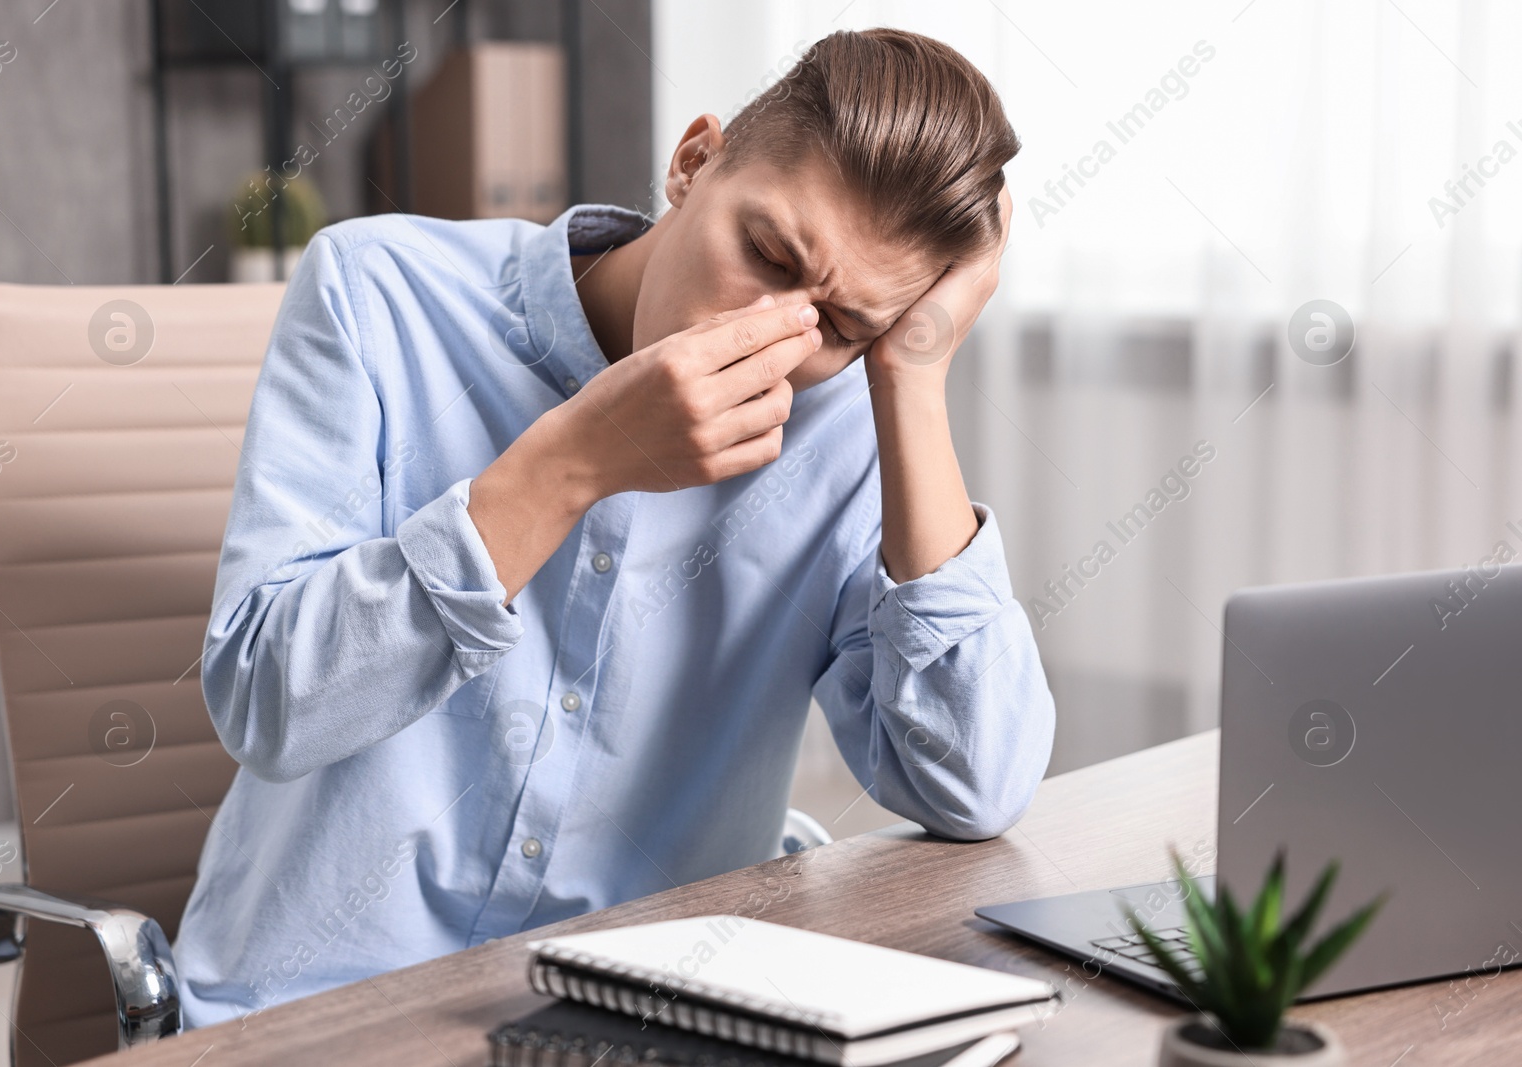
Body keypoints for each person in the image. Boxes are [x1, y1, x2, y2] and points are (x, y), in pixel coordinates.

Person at [175, 26, 1055, 1026]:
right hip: (322, 1013)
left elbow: (974, 783)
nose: (776, 332)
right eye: (765, 252)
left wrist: (912, 379)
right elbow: (267, 704)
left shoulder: (848, 427)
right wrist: (569, 466)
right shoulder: (377, 293)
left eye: (845, 327)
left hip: (645, 1020)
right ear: (692, 162)